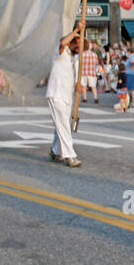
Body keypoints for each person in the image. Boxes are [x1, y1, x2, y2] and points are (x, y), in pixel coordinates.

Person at [46, 27, 83, 167]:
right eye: (77, 43)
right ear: (71, 42)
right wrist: (77, 30)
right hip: (56, 94)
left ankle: (55, 151)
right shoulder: (60, 52)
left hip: (66, 95)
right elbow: (62, 43)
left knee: (61, 124)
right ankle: (69, 155)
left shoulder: (73, 58)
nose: (79, 47)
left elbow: (68, 76)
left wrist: (78, 84)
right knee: (64, 125)